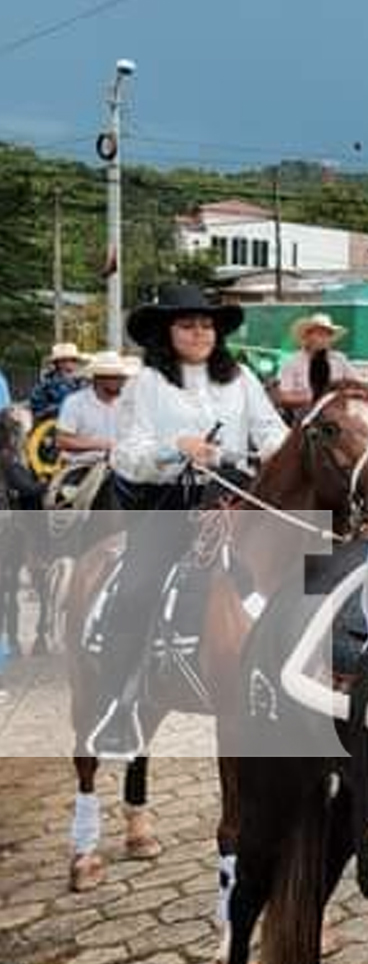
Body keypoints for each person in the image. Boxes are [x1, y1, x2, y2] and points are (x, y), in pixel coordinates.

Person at [88, 283, 288, 757]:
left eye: (206, 324)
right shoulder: (146, 384)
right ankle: (120, 704)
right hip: (169, 504)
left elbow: (271, 432)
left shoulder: (241, 379)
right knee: (137, 587)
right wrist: (173, 447)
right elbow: (127, 455)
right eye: (187, 324)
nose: (200, 332)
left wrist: (292, 456)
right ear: (166, 331)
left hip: (235, 499)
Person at [55, 350, 133, 466]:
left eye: (122, 377)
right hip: (83, 467)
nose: (121, 382)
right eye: (116, 377)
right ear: (98, 379)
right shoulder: (75, 402)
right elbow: (62, 441)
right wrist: (104, 446)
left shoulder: (127, 403)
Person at [275, 312, 361, 414]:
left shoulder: (340, 359)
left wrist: (345, 393)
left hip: (338, 413)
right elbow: (284, 396)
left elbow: (358, 385)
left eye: (328, 335)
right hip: (304, 416)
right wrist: (310, 397)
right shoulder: (293, 362)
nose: (325, 339)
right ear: (308, 337)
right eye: (320, 334)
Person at [29, 342, 88, 420]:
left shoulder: (85, 383)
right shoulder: (45, 385)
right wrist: (62, 408)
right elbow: (37, 412)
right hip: (54, 425)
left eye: (73, 360)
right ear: (57, 363)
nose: (69, 364)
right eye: (64, 360)